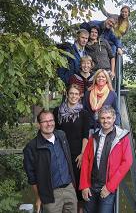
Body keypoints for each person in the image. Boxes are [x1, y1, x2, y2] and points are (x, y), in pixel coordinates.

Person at [79, 106, 133, 213]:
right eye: (103, 118)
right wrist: (84, 185)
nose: (106, 121)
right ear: (99, 119)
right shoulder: (93, 137)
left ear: (114, 119)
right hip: (91, 186)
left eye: (108, 118)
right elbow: (85, 161)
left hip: (107, 187)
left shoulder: (122, 137)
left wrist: (110, 187)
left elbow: (127, 162)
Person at [23, 110, 77, 213]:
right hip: (50, 194)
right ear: (39, 124)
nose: (49, 124)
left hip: (69, 189)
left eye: (51, 120)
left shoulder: (62, 136)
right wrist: (39, 197)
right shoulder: (32, 147)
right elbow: (32, 178)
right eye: (45, 121)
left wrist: (73, 185)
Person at [53, 84, 90, 212]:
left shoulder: (84, 113)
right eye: (71, 93)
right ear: (67, 95)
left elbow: (86, 135)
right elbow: (54, 133)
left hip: (77, 154)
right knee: (63, 182)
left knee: (78, 184)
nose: (73, 96)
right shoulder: (57, 111)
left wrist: (82, 154)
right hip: (62, 153)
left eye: (76, 94)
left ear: (80, 96)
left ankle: (79, 210)